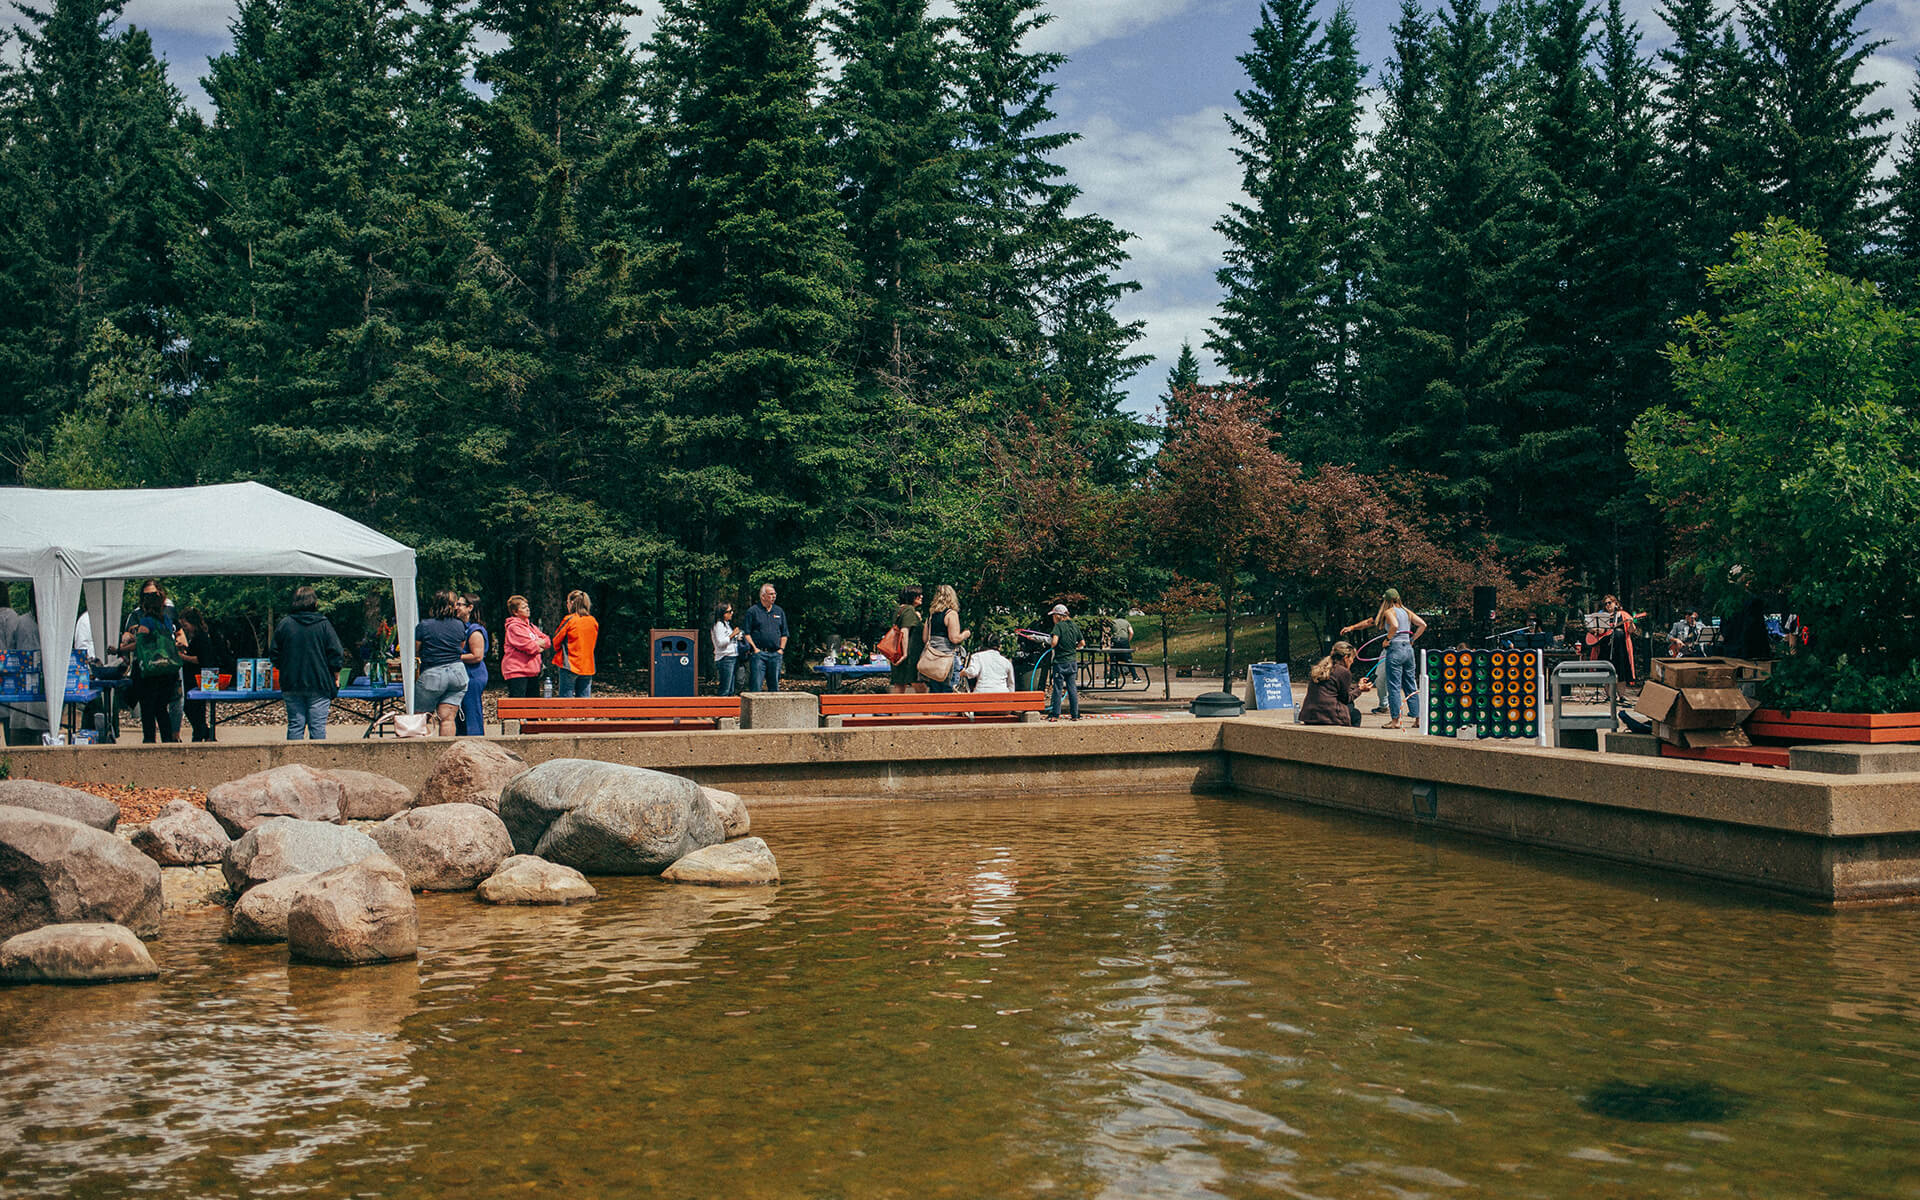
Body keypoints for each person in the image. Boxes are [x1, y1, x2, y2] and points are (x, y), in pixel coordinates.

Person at [1344, 588, 1425, 730]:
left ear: (1386, 600)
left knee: (1393, 685)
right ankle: (1418, 719)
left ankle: (1395, 721)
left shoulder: (1389, 612)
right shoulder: (1406, 612)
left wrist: (1388, 639)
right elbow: (1423, 625)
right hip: (1408, 650)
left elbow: (1394, 625)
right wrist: (1412, 639)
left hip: (1395, 649)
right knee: (1410, 684)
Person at [271, 586, 346, 740]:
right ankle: (317, 761)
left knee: (295, 724)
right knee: (318, 727)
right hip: (320, 682)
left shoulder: (285, 624)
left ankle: (293, 761)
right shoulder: (324, 624)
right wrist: (336, 675)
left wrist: (284, 668)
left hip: (292, 682)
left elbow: (274, 653)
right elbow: (336, 653)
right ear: (315, 603)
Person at [118, 583, 183, 743]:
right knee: (162, 708)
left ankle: (149, 743)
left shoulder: (146, 622)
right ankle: (168, 741)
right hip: (166, 671)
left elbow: (140, 644)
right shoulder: (167, 620)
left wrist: (120, 649)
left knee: (148, 709)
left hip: (149, 672)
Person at [414, 590, 470, 736]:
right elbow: (461, 648)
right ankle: (445, 754)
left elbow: (416, 650)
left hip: (432, 673)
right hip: (457, 673)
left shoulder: (424, 625)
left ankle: (424, 755)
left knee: (421, 718)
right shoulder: (460, 625)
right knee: (448, 719)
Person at [1300, 641, 1372, 727]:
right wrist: (1360, 690)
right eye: (1352, 658)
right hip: (1328, 715)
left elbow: (1333, 689)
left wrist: (1357, 686)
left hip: (1310, 714)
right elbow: (1345, 698)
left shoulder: (1321, 668)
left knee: (1350, 707)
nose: (1352, 661)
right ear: (1346, 658)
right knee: (1355, 713)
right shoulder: (1343, 671)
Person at [177, 608, 219, 741]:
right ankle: (201, 732)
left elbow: (201, 659)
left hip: (198, 677)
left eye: (186, 626)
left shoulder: (201, 637)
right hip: (193, 677)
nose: (185, 629)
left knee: (193, 707)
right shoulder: (196, 637)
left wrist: (182, 657)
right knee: (195, 709)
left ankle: (202, 732)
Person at [923, 584, 971, 693]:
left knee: (935, 693)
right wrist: (965, 634)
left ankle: (936, 711)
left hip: (932, 660)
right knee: (948, 692)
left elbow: (925, 639)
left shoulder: (931, 616)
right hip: (947, 658)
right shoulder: (951, 614)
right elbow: (954, 639)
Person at [551, 590, 599, 697]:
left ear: (572, 603)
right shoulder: (592, 621)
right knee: (584, 699)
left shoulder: (570, 619)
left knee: (566, 698)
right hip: (587, 665)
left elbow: (556, 641)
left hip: (570, 664)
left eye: (567, 602)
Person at [501, 595, 549, 698]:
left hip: (532, 672)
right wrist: (538, 645)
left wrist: (538, 644)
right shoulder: (513, 627)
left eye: (527, 606)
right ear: (515, 612)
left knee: (533, 707)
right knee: (519, 708)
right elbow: (529, 647)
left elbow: (547, 641)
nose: (527, 609)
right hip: (517, 672)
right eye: (523, 607)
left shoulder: (531, 626)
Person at [743, 584, 789, 692]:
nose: (774, 596)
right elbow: (747, 633)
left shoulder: (779, 611)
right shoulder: (753, 611)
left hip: (775, 655)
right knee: (756, 686)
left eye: (775, 594)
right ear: (763, 596)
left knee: (774, 687)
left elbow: (784, 633)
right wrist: (755, 649)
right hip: (759, 655)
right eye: (771, 594)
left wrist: (781, 650)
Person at [1586, 594, 1639, 683]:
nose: (1607, 605)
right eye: (1605, 603)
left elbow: (1631, 630)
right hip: (1604, 648)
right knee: (1605, 673)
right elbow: (1591, 629)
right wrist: (1596, 630)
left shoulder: (1623, 615)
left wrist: (1631, 623)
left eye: (1609, 602)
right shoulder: (1600, 615)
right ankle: (1609, 696)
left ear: (1615, 603)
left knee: (1622, 674)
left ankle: (1621, 696)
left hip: (1621, 649)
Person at [456, 595, 490, 736]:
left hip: (473, 675)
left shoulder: (475, 630)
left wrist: (453, 658)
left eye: (460, 604)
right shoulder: (461, 627)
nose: (456, 607)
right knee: (460, 710)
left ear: (470, 607)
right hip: (462, 674)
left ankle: (475, 739)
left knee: (471, 710)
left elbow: (477, 656)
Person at [1044, 603, 1082, 720]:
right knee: (1072, 688)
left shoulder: (1059, 626)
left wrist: (1052, 645)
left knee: (1057, 688)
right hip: (1072, 661)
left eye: (1053, 616)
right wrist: (1072, 648)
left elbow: (1054, 642)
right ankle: (1075, 714)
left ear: (1058, 616)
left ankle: (1055, 714)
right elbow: (1082, 643)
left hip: (1060, 662)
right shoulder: (1074, 626)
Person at [887, 587, 925, 694]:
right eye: (918, 595)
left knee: (899, 684)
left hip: (897, 653)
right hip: (909, 655)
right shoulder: (909, 610)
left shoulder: (899, 610)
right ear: (911, 597)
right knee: (918, 684)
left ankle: (895, 711)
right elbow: (904, 631)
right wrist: (905, 654)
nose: (921, 597)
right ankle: (927, 710)